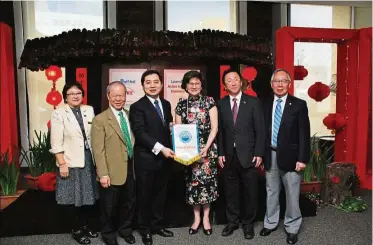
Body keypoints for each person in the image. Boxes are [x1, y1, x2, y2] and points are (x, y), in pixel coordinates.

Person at [260, 69, 310, 245]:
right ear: (271, 84)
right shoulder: (265, 104)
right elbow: (262, 133)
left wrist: (302, 159)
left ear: (289, 84)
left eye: (283, 81)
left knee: (292, 193)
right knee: (271, 191)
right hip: (270, 154)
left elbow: (304, 134)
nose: (280, 84)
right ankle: (271, 223)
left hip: (292, 157)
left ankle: (292, 227)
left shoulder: (299, 105)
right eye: (276, 81)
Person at [217, 68, 265, 239]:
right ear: (225, 85)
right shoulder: (221, 104)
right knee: (230, 191)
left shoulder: (253, 102)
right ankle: (232, 222)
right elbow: (220, 131)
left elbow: (260, 130)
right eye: (229, 80)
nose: (233, 82)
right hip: (229, 155)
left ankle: (248, 224)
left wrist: (259, 153)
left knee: (250, 191)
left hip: (250, 155)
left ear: (241, 82)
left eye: (236, 79)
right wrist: (220, 152)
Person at [129, 70, 175, 245]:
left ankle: (157, 225)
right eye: (148, 82)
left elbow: (168, 126)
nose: (153, 85)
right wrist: (161, 148)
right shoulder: (137, 107)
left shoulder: (166, 103)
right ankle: (145, 230)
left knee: (160, 194)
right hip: (146, 159)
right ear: (143, 85)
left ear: (161, 84)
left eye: (156, 82)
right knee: (145, 195)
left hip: (165, 159)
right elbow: (140, 133)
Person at [50, 82, 99, 245]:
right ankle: (76, 230)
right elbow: (56, 141)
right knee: (73, 197)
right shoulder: (59, 113)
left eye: (78, 92)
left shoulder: (88, 110)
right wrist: (62, 163)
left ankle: (85, 226)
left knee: (87, 196)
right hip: (69, 160)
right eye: (71, 93)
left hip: (87, 158)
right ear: (66, 96)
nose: (75, 96)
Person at [91, 82, 136, 245]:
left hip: (131, 167)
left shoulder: (131, 115)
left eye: (121, 95)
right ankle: (109, 235)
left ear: (126, 96)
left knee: (129, 203)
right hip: (111, 170)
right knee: (109, 206)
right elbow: (98, 150)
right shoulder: (100, 120)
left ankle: (126, 230)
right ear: (108, 96)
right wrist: (103, 173)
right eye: (115, 95)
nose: (118, 98)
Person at [175, 70, 219, 236]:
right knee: (193, 187)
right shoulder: (181, 105)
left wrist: (206, 148)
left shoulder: (209, 102)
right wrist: (183, 151)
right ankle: (196, 218)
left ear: (201, 85)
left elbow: (214, 127)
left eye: (197, 83)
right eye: (190, 83)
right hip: (190, 153)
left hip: (207, 150)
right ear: (185, 86)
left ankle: (206, 218)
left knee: (207, 186)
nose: (194, 86)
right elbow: (178, 131)